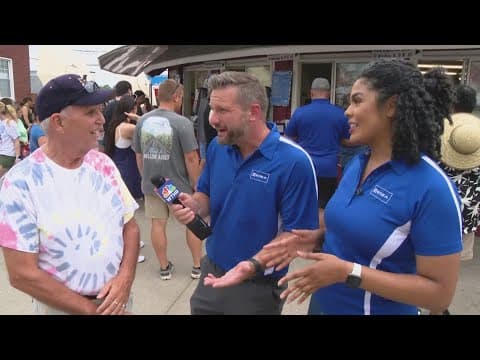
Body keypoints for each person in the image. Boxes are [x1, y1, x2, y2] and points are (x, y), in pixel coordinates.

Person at [264, 59, 462, 315]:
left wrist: (349, 273)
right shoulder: (358, 163)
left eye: (357, 101)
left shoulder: (431, 187)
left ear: (391, 106)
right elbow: (362, 232)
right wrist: (319, 238)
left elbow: (439, 296)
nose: (347, 111)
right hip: (323, 306)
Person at [171, 71, 319, 315]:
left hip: (256, 286)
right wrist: (194, 206)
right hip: (212, 272)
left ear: (253, 112)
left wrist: (250, 266)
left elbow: (298, 236)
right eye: (211, 108)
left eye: (222, 110)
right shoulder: (220, 147)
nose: (212, 119)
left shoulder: (294, 162)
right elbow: (205, 194)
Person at [0, 74, 140, 315]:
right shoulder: (20, 183)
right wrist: (92, 311)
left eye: (100, 110)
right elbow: (22, 275)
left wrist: (125, 278)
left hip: (116, 302)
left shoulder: (103, 164)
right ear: (58, 122)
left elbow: (131, 227)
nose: (102, 119)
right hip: (63, 308)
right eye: (90, 113)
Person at [132, 79, 203, 280]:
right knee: (191, 223)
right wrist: (197, 184)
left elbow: (139, 155)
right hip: (178, 186)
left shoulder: (142, 121)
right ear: (177, 97)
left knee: (157, 223)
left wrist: (145, 177)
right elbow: (191, 157)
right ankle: (197, 265)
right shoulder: (182, 123)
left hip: (154, 184)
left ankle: (164, 267)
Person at [284, 77, 351, 234]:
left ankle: (303, 236)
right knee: (323, 205)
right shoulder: (340, 114)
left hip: (305, 167)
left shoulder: (300, 113)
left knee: (304, 202)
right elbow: (348, 140)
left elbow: (288, 139)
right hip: (329, 169)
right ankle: (317, 239)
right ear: (328, 93)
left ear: (312, 93)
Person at [439, 85, 480, 261]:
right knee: (456, 262)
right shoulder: (476, 131)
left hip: (441, 207)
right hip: (469, 211)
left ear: (452, 104)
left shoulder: (441, 131)